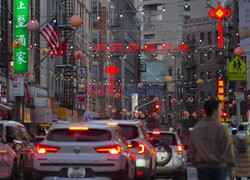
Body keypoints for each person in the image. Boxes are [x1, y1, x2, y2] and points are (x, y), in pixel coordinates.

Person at [189, 100, 235, 180]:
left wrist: (198, 163)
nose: (221, 112)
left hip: (203, 167)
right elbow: (228, 149)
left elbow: (192, 150)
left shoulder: (197, 128)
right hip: (219, 167)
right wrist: (231, 169)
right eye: (220, 110)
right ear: (215, 111)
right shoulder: (222, 128)